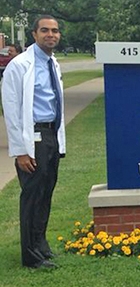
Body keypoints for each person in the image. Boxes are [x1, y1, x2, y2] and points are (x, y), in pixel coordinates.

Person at [1, 15, 65, 268]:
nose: (51, 35)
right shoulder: (19, 65)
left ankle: (41, 246)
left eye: (55, 31)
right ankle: (30, 256)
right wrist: (21, 151)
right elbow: (12, 110)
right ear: (34, 34)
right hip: (33, 138)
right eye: (45, 30)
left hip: (51, 136)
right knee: (32, 196)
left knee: (46, 193)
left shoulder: (52, 62)